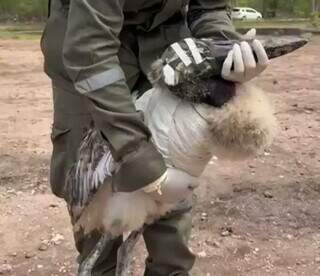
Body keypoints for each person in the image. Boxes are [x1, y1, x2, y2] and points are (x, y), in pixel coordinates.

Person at [41, 0, 268, 275]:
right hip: (85, 52)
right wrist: (141, 159)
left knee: (172, 215)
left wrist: (222, 48)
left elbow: (209, 8)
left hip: (165, 53)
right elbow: (91, 52)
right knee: (94, 201)